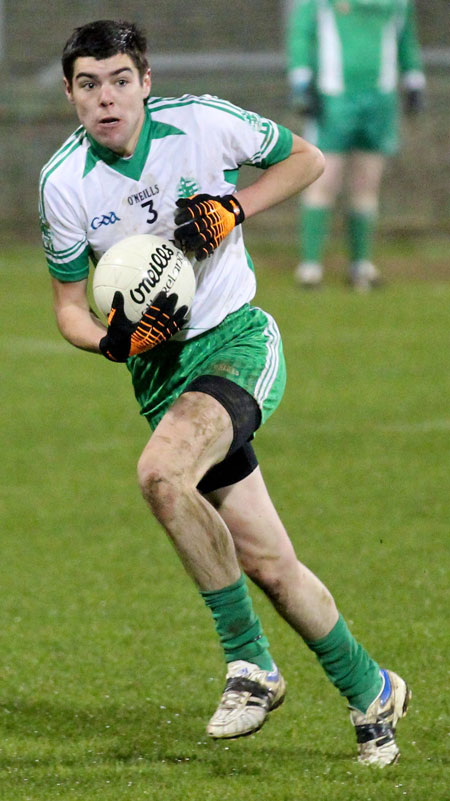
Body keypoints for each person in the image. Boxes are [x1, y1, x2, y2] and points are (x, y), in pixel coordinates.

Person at [40, 19, 411, 766]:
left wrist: (236, 207)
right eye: (89, 85)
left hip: (237, 342)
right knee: (269, 562)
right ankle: (372, 688)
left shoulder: (201, 123)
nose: (106, 98)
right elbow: (68, 308)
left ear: (145, 81)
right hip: (162, 377)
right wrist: (110, 343)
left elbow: (307, 161)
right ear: (71, 95)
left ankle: (250, 665)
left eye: (119, 80)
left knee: (159, 473)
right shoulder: (63, 184)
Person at [287, 0, 426, 290]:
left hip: (380, 101)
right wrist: (301, 80)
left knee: (366, 183)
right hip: (334, 98)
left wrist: (414, 78)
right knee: (323, 179)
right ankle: (310, 267)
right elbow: (301, 33)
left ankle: (360, 266)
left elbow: (405, 40)